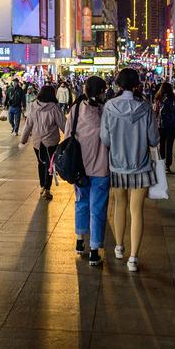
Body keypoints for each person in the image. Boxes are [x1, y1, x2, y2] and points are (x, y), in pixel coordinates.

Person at [100, 68, 159, 272]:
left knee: (118, 206)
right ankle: (133, 257)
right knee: (137, 211)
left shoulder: (109, 106)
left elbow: (105, 139)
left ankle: (118, 247)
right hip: (141, 166)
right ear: (137, 85)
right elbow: (153, 140)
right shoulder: (145, 107)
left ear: (118, 84)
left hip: (117, 164)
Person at [66, 76, 109, 266]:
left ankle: (79, 241)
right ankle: (94, 250)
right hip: (100, 167)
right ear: (100, 92)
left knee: (81, 203)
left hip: (79, 168)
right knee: (97, 208)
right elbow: (110, 138)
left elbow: (67, 135)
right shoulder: (105, 112)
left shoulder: (75, 109)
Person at [20, 85, 66, 200]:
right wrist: (70, 136)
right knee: (50, 165)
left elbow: (28, 124)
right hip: (51, 142)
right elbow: (63, 124)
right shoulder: (54, 108)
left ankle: (42, 186)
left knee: (41, 163)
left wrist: (23, 139)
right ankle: (47, 188)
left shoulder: (34, 106)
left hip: (37, 142)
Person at [153, 83, 175, 174]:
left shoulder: (158, 99)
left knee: (161, 145)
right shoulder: (174, 99)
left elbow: (155, 111)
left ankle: (162, 164)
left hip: (161, 125)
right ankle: (168, 166)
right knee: (169, 145)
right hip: (172, 126)